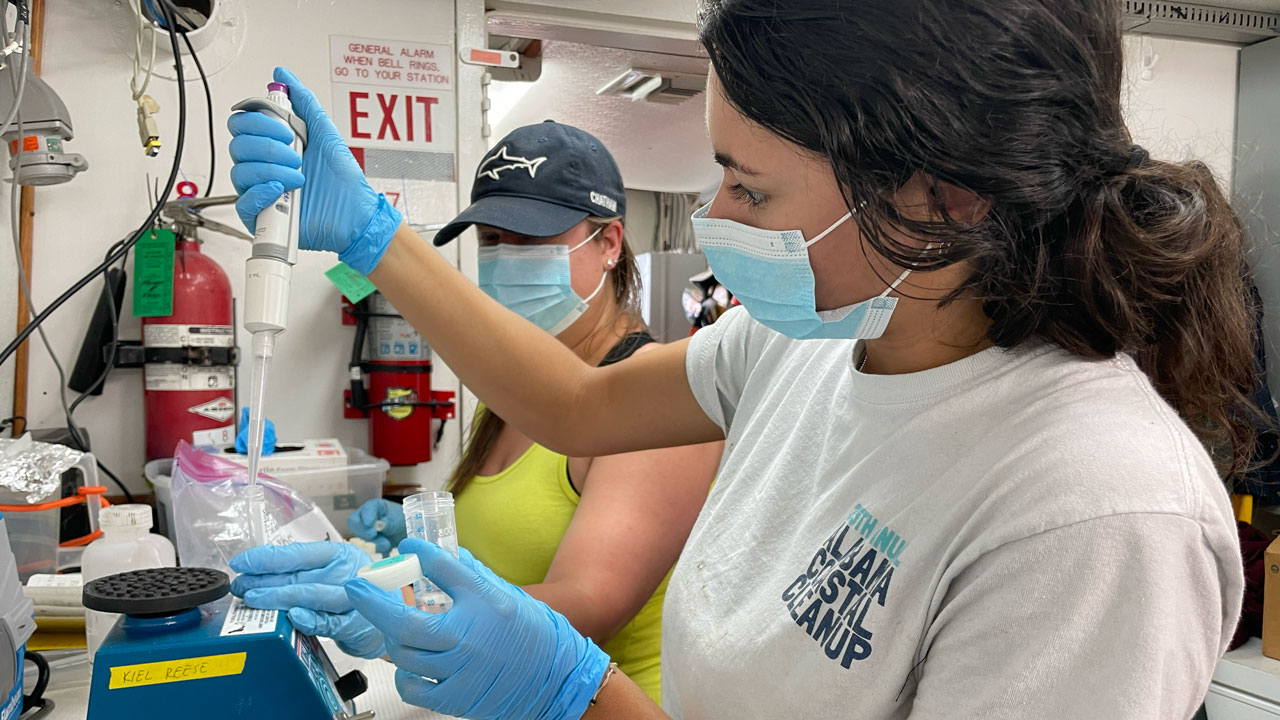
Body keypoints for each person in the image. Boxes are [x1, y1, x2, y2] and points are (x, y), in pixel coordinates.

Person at [226, 0, 1257, 716]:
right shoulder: (806, 336)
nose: (714, 217)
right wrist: (373, 236)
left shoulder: (1091, 517)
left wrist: (570, 692)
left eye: (748, 188)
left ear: (944, 198)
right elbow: (577, 403)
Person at [228, 122, 721, 704]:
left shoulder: (659, 409)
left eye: (530, 239)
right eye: (490, 239)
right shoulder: (508, 397)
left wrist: (397, 605)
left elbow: (589, 605)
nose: (506, 258)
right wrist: (402, 555)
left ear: (609, 243)